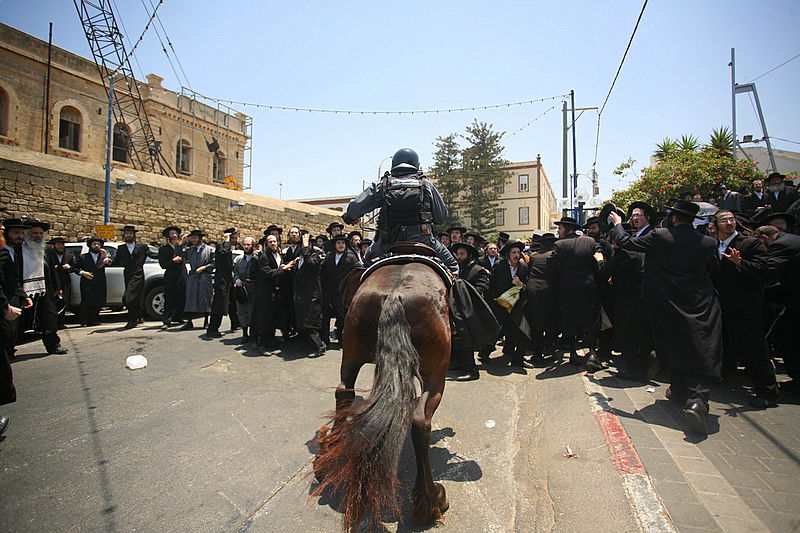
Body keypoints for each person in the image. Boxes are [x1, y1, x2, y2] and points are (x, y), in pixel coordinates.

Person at [609, 200, 722, 435]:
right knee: (701, 347)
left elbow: (627, 242)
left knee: (674, 344)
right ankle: (688, 395)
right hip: (700, 304)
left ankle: (695, 401)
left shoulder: (661, 236)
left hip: (667, 304)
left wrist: (618, 224)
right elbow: (714, 271)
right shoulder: (709, 243)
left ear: (673, 218)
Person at [343, 148, 458, 274]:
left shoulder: (383, 184)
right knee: (452, 266)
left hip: (388, 241)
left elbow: (354, 208)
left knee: (363, 268)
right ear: (416, 165)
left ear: (394, 164)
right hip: (423, 239)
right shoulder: (426, 184)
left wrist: (350, 217)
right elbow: (441, 217)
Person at [711, 210, 777, 407]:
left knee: (753, 348)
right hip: (720, 304)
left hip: (744, 306)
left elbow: (763, 270)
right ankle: (725, 376)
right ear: (716, 225)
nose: (729, 223)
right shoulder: (713, 245)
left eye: (731, 219)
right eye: (724, 220)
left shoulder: (749, 243)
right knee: (724, 343)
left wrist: (740, 263)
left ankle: (767, 391)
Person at [548, 216, 604, 372]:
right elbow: (600, 260)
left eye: (560, 228)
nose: (558, 231)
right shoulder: (590, 242)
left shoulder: (559, 245)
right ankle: (592, 353)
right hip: (588, 286)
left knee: (570, 320)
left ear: (568, 229)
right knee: (591, 319)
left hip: (567, 289)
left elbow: (552, 268)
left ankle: (573, 352)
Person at [755, 224, 800, 394]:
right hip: (793, 297)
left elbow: (768, 269)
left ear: (765, 239)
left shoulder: (780, 245)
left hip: (795, 299)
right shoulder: (793, 239)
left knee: (790, 338)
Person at [1, 217, 34, 435]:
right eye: (14, 233)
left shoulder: (15, 252)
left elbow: (11, 280)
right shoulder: (3, 252)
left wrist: (21, 295)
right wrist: (4, 308)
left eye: (22, 234)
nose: (19, 237)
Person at [20, 218, 66, 354]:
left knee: (50, 317)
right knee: (18, 319)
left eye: (40, 233)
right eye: (35, 233)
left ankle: (53, 345)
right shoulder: (19, 249)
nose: (38, 236)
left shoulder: (46, 250)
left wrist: (57, 288)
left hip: (45, 288)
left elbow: (52, 270)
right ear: (28, 234)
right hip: (24, 289)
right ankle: (9, 349)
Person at [447, 241, 491, 381]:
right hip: (456, 310)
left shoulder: (477, 270)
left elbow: (482, 289)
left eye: (462, 254)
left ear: (469, 255)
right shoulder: (456, 269)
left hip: (470, 310)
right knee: (456, 339)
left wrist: (464, 290)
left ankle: (471, 370)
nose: (459, 257)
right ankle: (458, 362)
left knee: (467, 340)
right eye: (457, 254)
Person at [488, 240, 529, 366]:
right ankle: (485, 353)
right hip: (500, 306)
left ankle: (518, 359)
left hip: (516, 306)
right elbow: (491, 286)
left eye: (518, 252)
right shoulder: (500, 266)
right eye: (513, 252)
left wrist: (520, 285)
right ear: (508, 254)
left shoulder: (523, 267)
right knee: (496, 331)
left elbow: (527, 287)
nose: (516, 255)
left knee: (523, 332)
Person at [255, 234, 295, 353]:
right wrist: (283, 268)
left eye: (274, 241)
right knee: (265, 319)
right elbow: (267, 273)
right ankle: (262, 345)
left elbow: (277, 270)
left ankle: (271, 342)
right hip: (267, 292)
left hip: (277, 292)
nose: (273, 243)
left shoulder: (278, 255)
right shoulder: (264, 257)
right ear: (267, 244)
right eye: (270, 242)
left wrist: (283, 267)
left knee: (274, 318)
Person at [110, 225, 156, 329]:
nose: (128, 235)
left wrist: (166, 254)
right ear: (124, 235)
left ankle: (132, 320)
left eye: (130, 233)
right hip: (127, 275)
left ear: (134, 235)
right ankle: (138, 317)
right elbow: (116, 262)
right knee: (136, 298)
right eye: (127, 233)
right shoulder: (121, 248)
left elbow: (153, 255)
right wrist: (106, 261)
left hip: (138, 274)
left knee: (128, 297)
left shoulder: (142, 247)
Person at [523, 233, 559, 366]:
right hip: (548, 290)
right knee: (549, 322)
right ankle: (547, 350)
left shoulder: (533, 256)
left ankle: (536, 353)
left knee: (536, 323)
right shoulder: (554, 256)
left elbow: (528, 271)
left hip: (533, 290)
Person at [320, 234, 362, 345]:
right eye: (338, 243)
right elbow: (322, 271)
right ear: (335, 245)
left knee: (341, 316)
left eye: (343, 243)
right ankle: (324, 339)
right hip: (328, 291)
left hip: (342, 292)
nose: (341, 245)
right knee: (325, 315)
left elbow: (358, 270)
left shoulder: (351, 257)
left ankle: (342, 339)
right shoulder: (329, 256)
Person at [292, 231, 326, 357]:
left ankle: (319, 346)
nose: (303, 247)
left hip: (312, 295)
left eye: (305, 244)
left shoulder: (316, 255)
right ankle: (307, 344)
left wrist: (306, 247)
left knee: (310, 322)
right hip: (301, 295)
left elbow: (311, 264)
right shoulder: (300, 257)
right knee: (301, 321)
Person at [182, 230, 214, 330]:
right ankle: (189, 321)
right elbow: (178, 252)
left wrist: (204, 267)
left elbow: (214, 262)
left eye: (195, 238)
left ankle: (206, 321)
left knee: (205, 298)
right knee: (190, 297)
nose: (193, 240)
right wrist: (182, 242)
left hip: (205, 276)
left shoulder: (210, 250)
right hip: (193, 276)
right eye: (192, 238)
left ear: (200, 238)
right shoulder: (190, 249)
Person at [74, 237, 110, 326]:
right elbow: (74, 268)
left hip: (99, 282)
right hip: (87, 282)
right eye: (94, 244)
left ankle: (94, 320)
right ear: (90, 245)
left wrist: (107, 258)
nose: (96, 246)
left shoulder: (103, 257)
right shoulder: (83, 257)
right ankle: (84, 321)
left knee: (97, 302)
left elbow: (112, 262)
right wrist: (83, 273)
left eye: (98, 244)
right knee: (86, 302)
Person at [206, 229, 235, 338]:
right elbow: (224, 252)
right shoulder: (221, 248)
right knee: (219, 304)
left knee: (231, 302)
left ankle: (236, 324)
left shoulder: (227, 248)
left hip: (228, 280)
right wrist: (226, 240)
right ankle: (212, 329)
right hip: (222, 280)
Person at [158, 226, 186, 328]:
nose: (174, 235)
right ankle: (167, 320)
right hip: (171, 276)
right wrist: (173, 261)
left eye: (175, 233)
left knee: (182, 296)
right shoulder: (164, 249)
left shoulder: (181, 247)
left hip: (181, 275)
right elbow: (163, 265)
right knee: (169, 298)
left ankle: (178, 317)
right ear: (168, 236)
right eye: (171, 234)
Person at [233, 236, 258, 344]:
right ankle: (244, 333)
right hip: (242, 289)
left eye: (249, 244)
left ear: (253, 245)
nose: (246, 246)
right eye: (245, 244)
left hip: (253, 288)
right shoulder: (238, 259)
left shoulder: (257, 258)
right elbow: (235, 272)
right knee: (242, 311)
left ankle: (254, 335)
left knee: (253, 311)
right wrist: (237, 280)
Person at [45, 236, 75, 329]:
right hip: (53, 282)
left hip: (65, 282)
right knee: (54, 303)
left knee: (64, 302)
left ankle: (61, 322)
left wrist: (69, 267)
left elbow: (74, 267)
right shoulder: (50, 255)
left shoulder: (69, 255)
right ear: (54, 246)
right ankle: (53, 323)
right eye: (58, 244)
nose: (60, 246)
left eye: (62, 244)